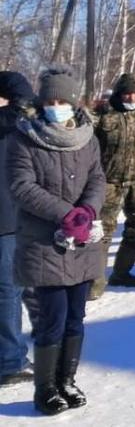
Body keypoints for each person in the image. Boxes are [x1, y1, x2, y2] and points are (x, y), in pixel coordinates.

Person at [7, 66, 104, 414]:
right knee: (52, 319)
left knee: (76, 316)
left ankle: (67, 379)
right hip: (45, 243)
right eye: (50, 100)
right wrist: (66, 214)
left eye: (63, 100)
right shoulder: (24, 138)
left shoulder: (87, 136)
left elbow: (97, 178)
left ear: (74, 102)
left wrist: (88, 213)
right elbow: (22, 186)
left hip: (82, 242)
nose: (56, 106)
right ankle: (44, 388)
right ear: (40, 101)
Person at [91, 74, 135, 299]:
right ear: (119, 94)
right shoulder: (104, 116)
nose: (132, 97)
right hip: (109, 183)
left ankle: (122, 272)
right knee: (102, 233)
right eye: (128, 93)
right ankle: (95, 282)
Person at [0, 71, 35, 387]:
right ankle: (10, 361)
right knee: (9, 290)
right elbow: (24, 100)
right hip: (7, 220)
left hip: (12, 216)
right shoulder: (10, 120)